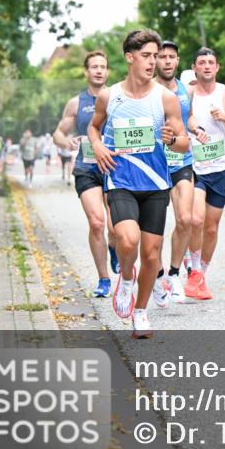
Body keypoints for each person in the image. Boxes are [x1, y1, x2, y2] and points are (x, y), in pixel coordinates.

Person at [88, 29, 190, 339]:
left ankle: (141, 312)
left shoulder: (165, 97)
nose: (153, 61)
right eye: (146, 55)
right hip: (121, 179)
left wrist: (173, 141)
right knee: (127, 240)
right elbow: (94, 128)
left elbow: (184, 143)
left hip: (157, 182)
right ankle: (127, 278)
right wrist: (98, 146)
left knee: (152, 254)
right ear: (130, 57)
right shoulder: (110, 95)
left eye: (156, 56)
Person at [52, 50, 120, 298]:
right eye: (94, 67)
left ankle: (114, 247)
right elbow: (58, 133)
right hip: (87, 169)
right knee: (97, 223)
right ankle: (104, 279)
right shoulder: (76, 103)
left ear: (108, 71)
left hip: (113, 168)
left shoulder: (117, 97)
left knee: (115, 228)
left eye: (103, 66)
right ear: (86, 71)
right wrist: (66, 142)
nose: (99, 70)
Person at [186, 47, 225, 300]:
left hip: (220, 168)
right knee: (196, 220)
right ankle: (192, 273)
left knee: (211, 228)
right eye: (202, 62)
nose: (207, 66)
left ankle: (201, 273)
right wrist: (194, 126)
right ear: (195, 68)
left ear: (217, 67)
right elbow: (185, 117)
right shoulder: (188, 92)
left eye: (211, 62)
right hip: (194, 167)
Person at [154, 40, 209, 302]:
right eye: (162, 56)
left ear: (177, 61)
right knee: (153, 229)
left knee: (186, 220)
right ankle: (157, 274)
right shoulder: (147, 89)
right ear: (154, 60)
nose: (166, 61)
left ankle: (174, 274)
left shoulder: (186, 90)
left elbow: (187, 117)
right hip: (153, 165)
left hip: (181, 160)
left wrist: (195, 129)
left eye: (171, 57)